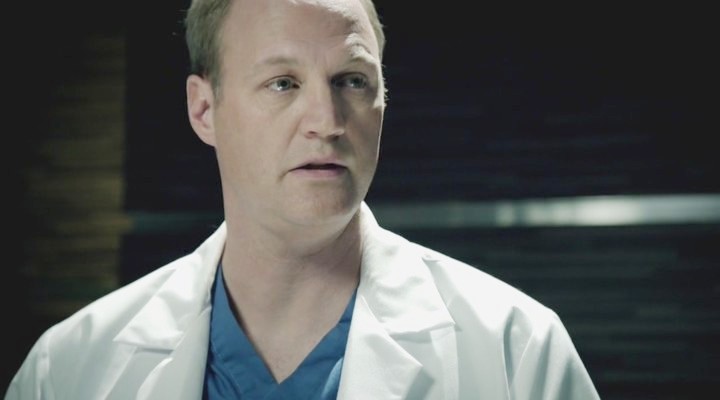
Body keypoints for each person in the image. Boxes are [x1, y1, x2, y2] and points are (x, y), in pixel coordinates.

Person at [5, 0, 602, 399]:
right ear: (204, 109)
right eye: (283, 83)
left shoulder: (516, 354)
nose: (327, 120)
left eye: (352, 81)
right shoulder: (68, 371)